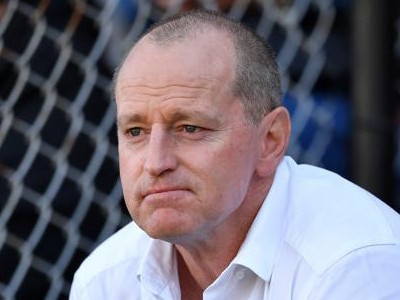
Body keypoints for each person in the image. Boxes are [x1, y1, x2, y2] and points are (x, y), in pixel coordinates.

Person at [70, 9, 400, 299]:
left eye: (189, 128)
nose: (156, 163)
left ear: (270, 140)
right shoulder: (104, 279)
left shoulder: (352, 267)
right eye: (136, 132)